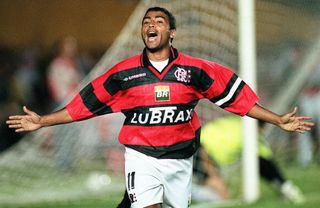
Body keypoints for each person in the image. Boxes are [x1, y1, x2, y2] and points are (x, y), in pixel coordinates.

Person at [6, 7, 314, 208]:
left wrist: (276, 120)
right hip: (142, 157)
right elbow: (86, 105)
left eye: (159, 21)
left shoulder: (194, 70)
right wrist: (43, 121)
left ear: (172, 33)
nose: (151, 25)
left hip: (181, 160)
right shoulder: (124, 74)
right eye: (146, 22)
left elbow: (234, 96)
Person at [193, 116, 305, 204]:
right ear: (259, 127)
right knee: (223, 197)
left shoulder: (235, 122)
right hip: (201, 151)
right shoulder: (250, 135)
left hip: (194, 144)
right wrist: (284, 184)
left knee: (221, 193)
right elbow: (266, 161)